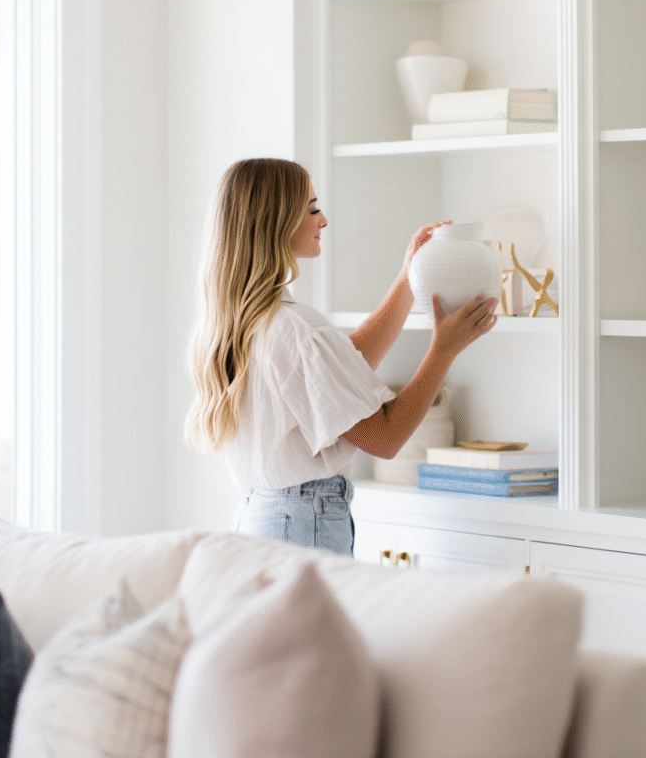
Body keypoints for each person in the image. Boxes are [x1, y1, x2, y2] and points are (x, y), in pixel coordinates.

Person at [186, 157, 498, 555]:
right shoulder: (297, 328)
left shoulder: (244, 323)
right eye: (312, 209)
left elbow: (338, 372)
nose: (324, 220)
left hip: (258, 517)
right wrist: (443, 350)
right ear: (275, 222)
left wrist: (407, 278)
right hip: (299, 524)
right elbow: (385, 438)